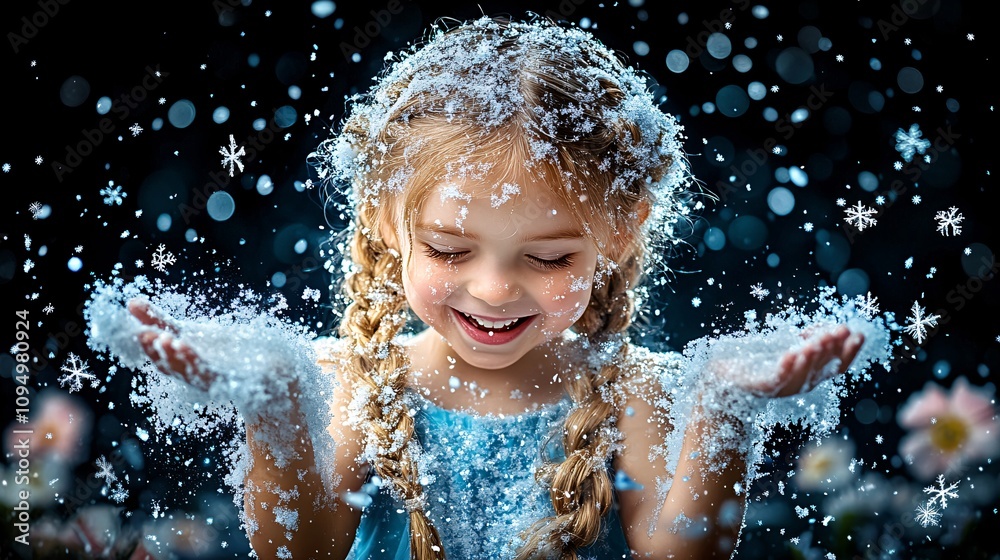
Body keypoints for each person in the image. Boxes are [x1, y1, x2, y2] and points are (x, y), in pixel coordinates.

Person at [109, 14, 876, 560]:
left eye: (548, 259)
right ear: (383, 218)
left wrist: (724, 411)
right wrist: (274, 403)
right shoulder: (351, 383)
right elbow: (303, 551)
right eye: (449, 249)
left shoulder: (636, 392)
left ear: (620, 231)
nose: (495, 288)